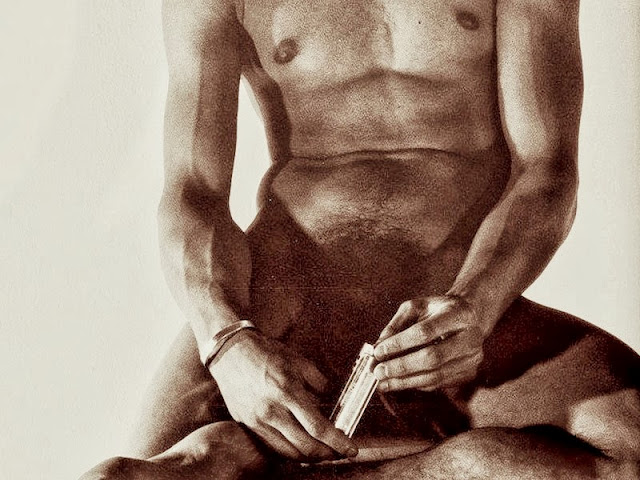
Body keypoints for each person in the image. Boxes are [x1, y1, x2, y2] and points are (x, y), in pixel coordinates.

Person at [80, 0, 640, 478]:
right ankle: (459, 464)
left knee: (631, 451)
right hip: (285, 313)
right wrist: (226, 341)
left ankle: (267, 464)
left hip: (454, 309)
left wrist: (476, 306)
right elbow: (194, 190)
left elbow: (547, 171)